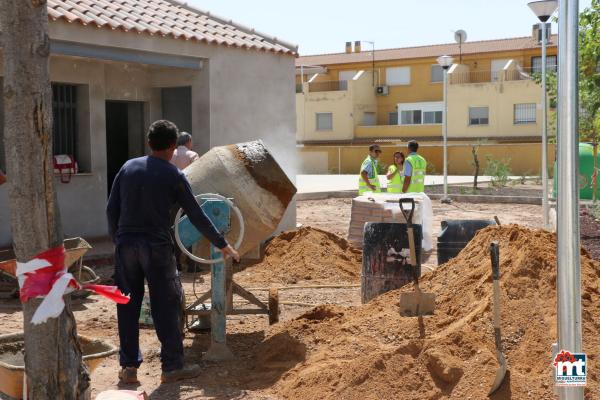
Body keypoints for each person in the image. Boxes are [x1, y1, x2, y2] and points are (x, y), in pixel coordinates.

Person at [106, 120, 239, 385]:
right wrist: (222, 243)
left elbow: (112, 209)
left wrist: (118, 240)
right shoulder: (173, 175)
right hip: (156, 247)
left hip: (126, 245)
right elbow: (196, 213)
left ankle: (129, 368)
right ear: (172, 146)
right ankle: (172, 367)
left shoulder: (128, 167)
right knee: (166, 306)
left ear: (148, 142)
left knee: (128, 306)